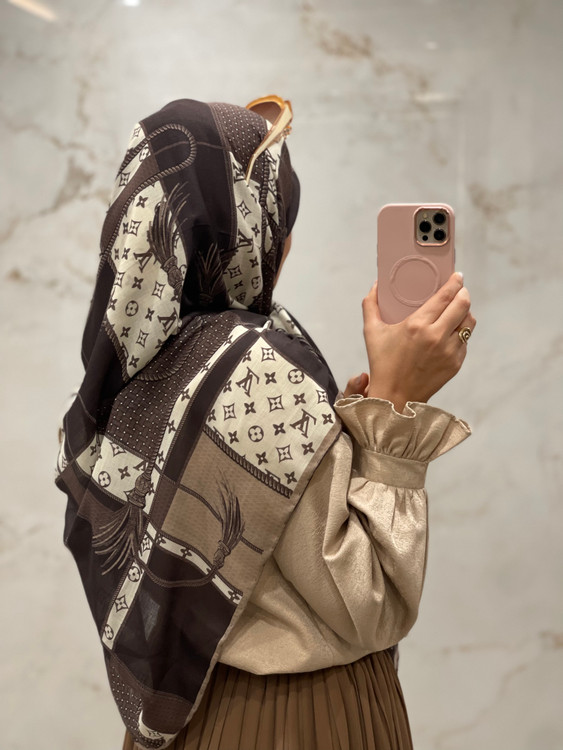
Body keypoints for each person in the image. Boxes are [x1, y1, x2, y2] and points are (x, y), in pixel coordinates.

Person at [55, 96, 475, 750]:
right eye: (281, 215)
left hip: (185, 722)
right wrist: (397, 406)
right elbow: (368, 603)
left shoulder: (127, 372)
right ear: (246, 224)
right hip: (301, 721)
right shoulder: (251, 371)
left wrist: (348, 437)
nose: (286, 240)